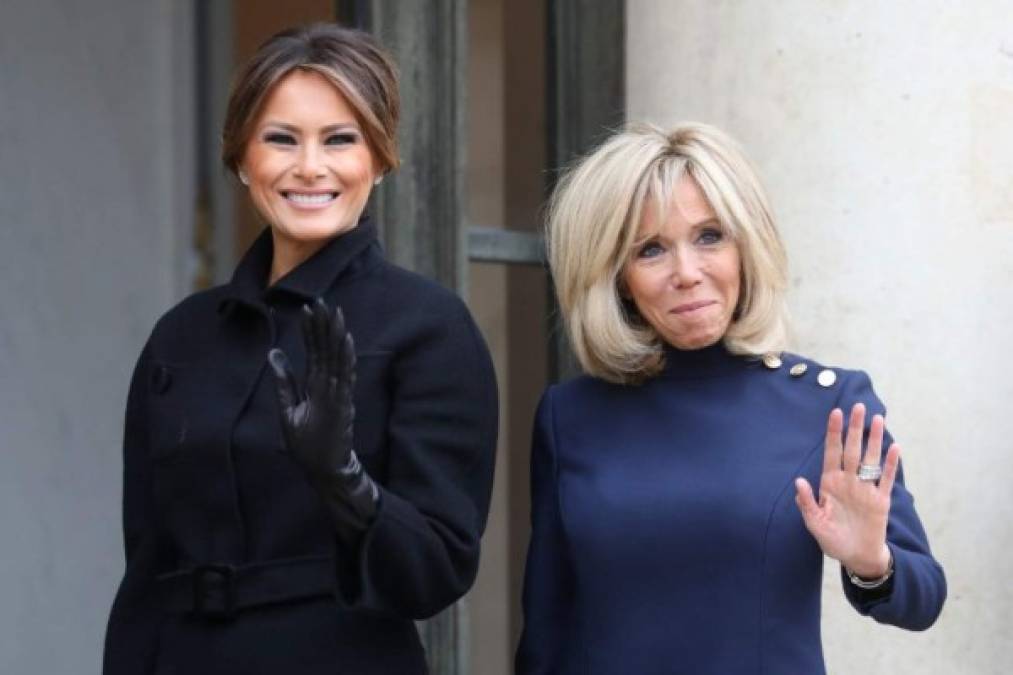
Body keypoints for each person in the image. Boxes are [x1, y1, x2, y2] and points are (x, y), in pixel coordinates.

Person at [103, 23, 498, 675]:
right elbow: (146, 566)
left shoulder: (429, 327)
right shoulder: (181, 336)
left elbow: (438, 569)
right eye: (280, 138)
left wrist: (343, 481)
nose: (310, 167)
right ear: (240, 158)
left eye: (340, 139)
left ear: (378, 157)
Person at [515, 122, 945, 674]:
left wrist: (871, 562)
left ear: (747, 244)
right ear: (617, 277)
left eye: (709, 236)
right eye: (650, 250)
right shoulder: (569, 416)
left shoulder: (829, 405)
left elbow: (924, 597)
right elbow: (546, 633)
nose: (687, 274)